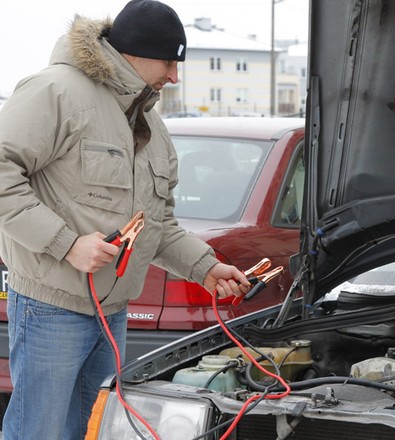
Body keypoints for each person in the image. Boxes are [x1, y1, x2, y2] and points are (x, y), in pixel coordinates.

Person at [0, 1, 252, 438]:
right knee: (38, 432)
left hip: (113, 314)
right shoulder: (56, 91)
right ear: (134, 52)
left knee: (94, 430)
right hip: (50, 308)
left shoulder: (151, 124)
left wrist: (205, 267)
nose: (174, 76)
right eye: (169, 62)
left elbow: (158, 223)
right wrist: (66, 243)